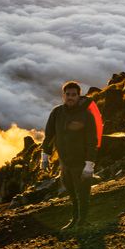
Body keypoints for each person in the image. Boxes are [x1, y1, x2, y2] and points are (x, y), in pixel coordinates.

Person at [41, 81, 99, 233]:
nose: (70, 97)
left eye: (74, 95)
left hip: (81, 163)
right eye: (68, 94)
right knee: (72, 193)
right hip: (65, 163)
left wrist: (89, 164)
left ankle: (83, 221)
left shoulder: (86, 115)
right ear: (63, 95)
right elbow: (49, 135)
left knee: (83, 194)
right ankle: (75, 219)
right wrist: (45, 155)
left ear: (79, 96)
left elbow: (92, 141)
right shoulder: (57, 113)